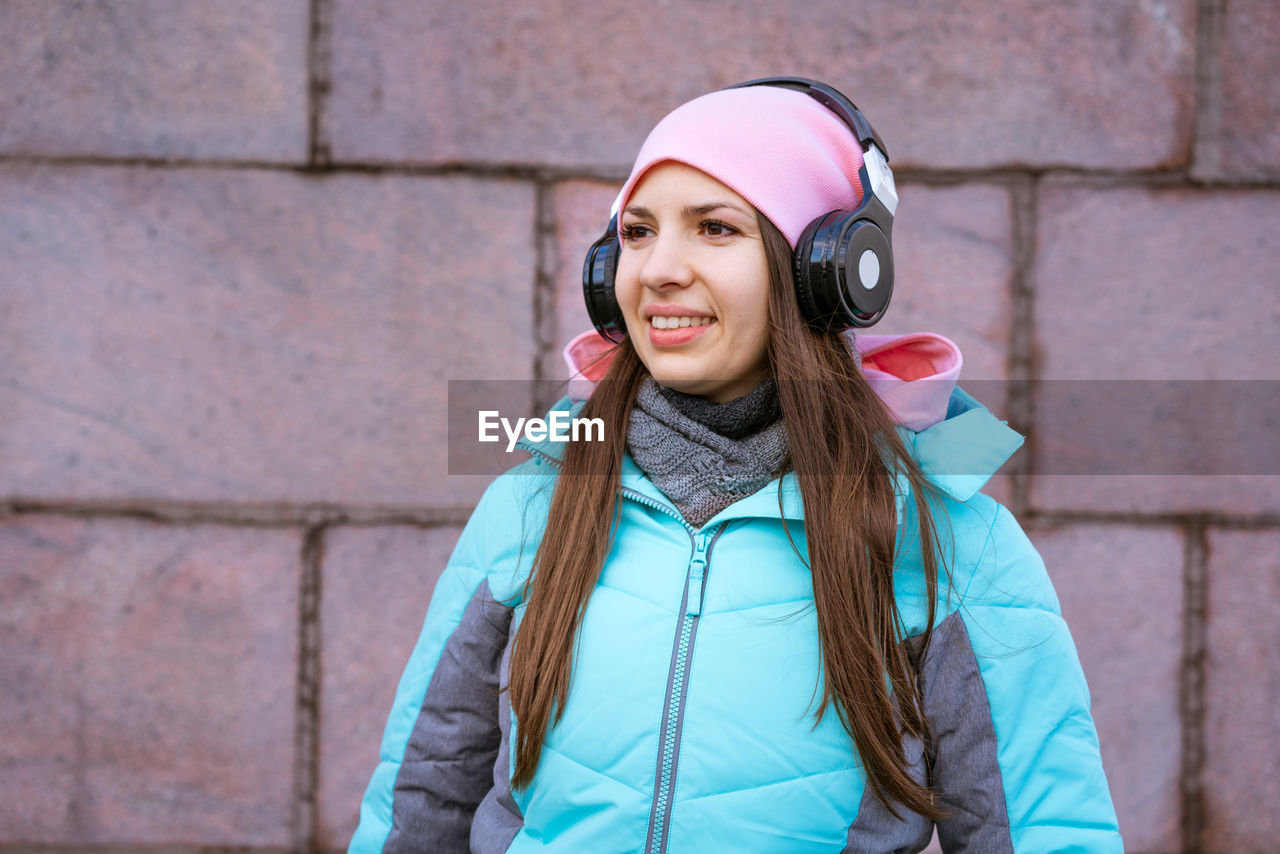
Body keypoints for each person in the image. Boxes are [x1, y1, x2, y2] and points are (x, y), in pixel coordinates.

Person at [349, 78, 1122, 854]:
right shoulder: (530, 508)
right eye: (639, 232)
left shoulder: (951, 541)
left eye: (715, 229)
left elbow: (1039, 834)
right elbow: (420, 800)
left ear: (829, 272)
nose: (656, 270)